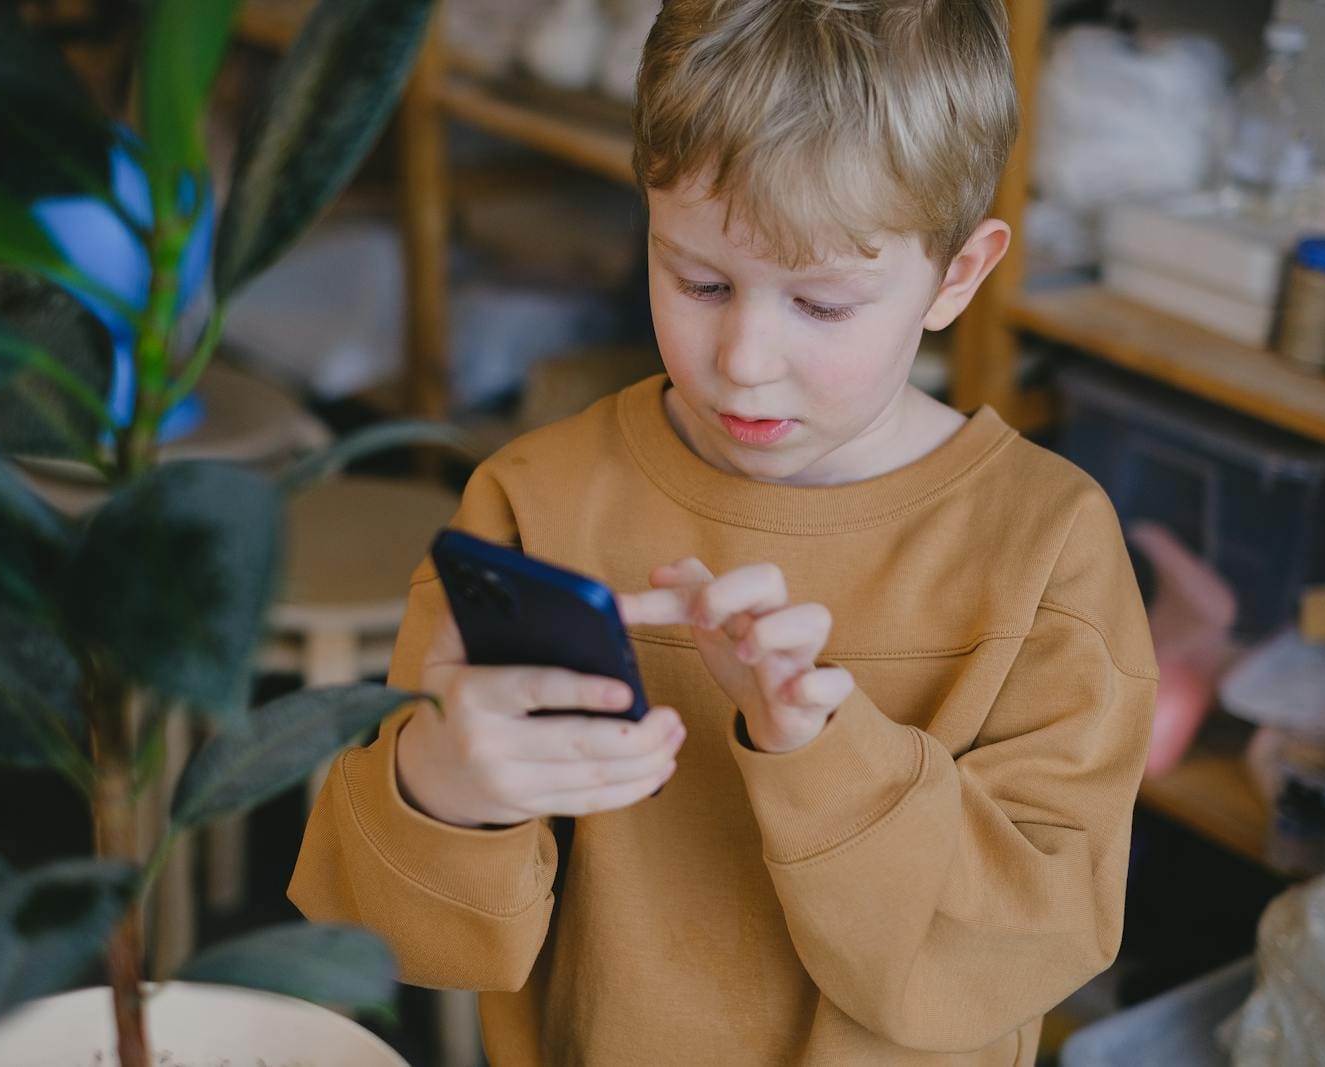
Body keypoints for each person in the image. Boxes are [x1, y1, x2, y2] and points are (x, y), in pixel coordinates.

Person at [290, 2, 1156, 1062]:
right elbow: (388, 928)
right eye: (697, 279)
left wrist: (824, 757)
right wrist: (444, 782)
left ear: (958, 276)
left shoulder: (1044, 545)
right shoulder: (533, 500)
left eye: (824, 305)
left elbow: (1037, 935)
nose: (743, 358)